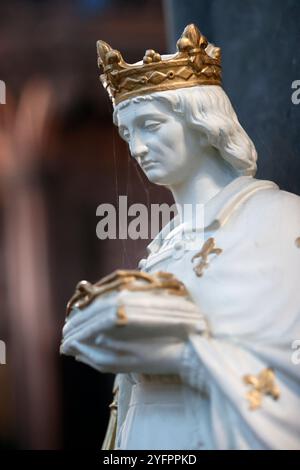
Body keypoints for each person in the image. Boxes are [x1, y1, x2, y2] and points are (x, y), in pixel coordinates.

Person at [61, 24, 300, 450]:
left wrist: (186, 358)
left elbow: (289, 368)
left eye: (151, 125)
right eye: (128, 133)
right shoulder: (160, 252)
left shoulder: (280, 221)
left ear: (203, 121)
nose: (137, 147)